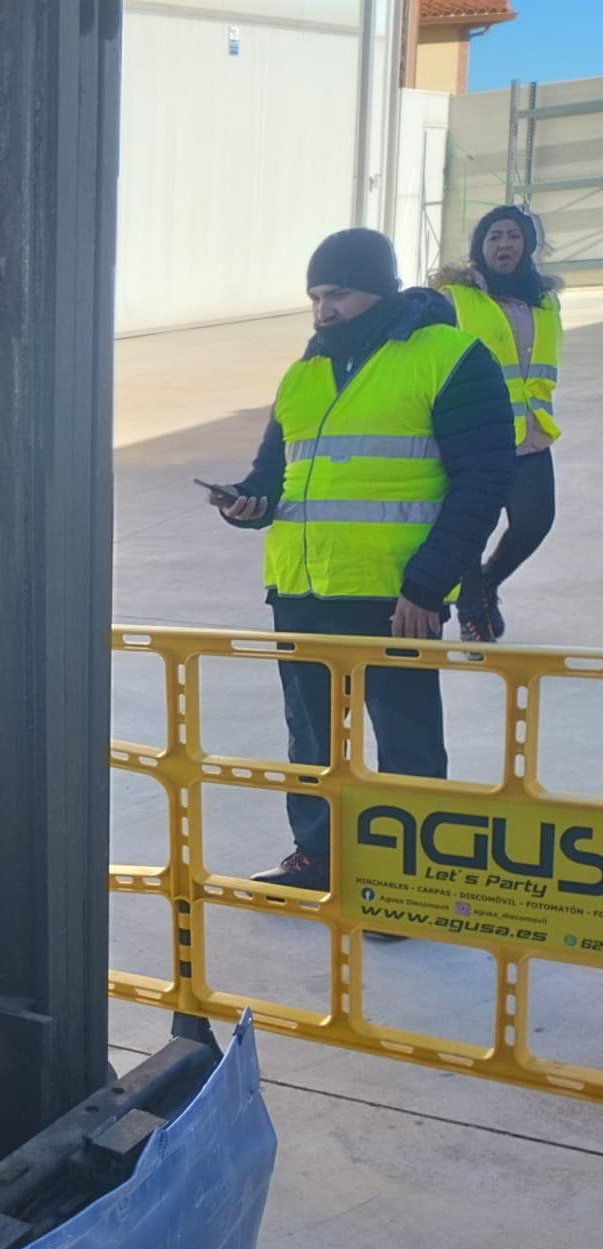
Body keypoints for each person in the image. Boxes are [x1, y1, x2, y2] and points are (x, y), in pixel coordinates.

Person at [206, 229, 513, 893]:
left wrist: (429, 586)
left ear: (381, 288)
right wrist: (248, 504)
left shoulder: (452, 357)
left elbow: (484, 482)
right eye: (315, 296)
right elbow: (274, 477)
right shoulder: (306, 371)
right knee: (311, 744)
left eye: (338, 293)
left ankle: (408, 881)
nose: (324, 309)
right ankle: (317, 858)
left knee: (405, 746)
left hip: (396, 596)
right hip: (302, 588)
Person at [434, 207, 564, 642]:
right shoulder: (456, 297)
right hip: (475, 436)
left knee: (534, 522)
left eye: (512, 236)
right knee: (473, 523)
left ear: (528, 244)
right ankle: (471, 611)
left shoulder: (545, 300)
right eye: (493, 237)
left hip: (530, 434)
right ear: (479, 247)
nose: (503, 245)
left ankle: (489, 582)